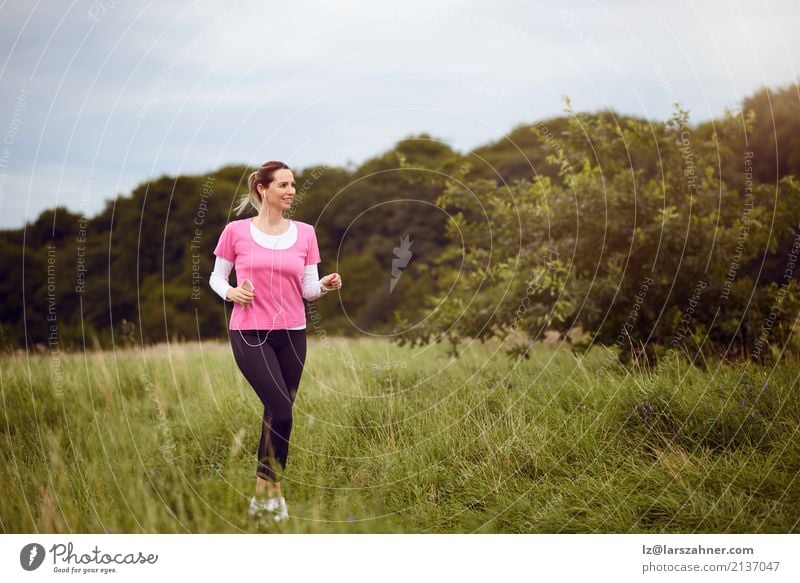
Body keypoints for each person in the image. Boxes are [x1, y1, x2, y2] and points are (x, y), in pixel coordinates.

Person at [209, 160, 342, 523]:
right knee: (281, 409)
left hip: (293, 335)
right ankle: (274, 496)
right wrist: (232, 292)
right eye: (283, 184)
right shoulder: (235, 232)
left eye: (293, 184)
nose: (291, 190)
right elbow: (216, 278)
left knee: (279, 415)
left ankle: (262, 499)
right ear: (263, 189)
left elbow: (308, 290)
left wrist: (326, 286)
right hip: (250, 332)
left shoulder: (305, 233)